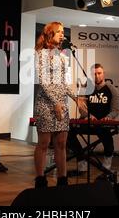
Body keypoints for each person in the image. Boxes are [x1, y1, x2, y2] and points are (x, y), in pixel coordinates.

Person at [34, 22, 86, 188]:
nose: (62, 35)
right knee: (44, 143)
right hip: (46, 103)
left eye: (63, 32)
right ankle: (40, 179)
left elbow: (65, 83)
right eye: (59, 32)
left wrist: (75, 98)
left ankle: (62, 180)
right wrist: (55, 102)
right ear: (50, 34)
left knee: (62, 143)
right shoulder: (40, 54)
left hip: (61, 104)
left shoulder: (63, 56)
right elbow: (43, 81)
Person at [68, 63, 119, 171]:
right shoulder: (85, 88)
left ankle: (106, 168)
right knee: (68, 132)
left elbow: (115, 110)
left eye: (99, 73)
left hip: (103, 124)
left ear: (103, 74)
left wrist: (109, 117)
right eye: (94, 74)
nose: (97, 76)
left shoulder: (112, 89)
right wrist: (88, 116)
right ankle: (82, 162)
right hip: (87, 122)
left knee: (108, 138)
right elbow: (81, 107)